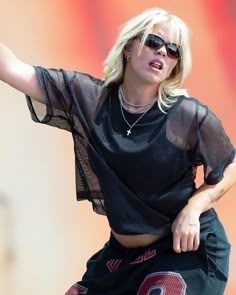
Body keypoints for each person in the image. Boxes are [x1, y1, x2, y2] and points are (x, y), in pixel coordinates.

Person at [0, 7, 236, 295]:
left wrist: (193, 209)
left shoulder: (187, 116)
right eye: (153, 42)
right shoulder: (90, 99)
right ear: (128, 47)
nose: (162, 52)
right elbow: (10, 68)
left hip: (183, 250)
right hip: (122, 260)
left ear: (175, 64)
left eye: (173, 50)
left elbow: (229, 167)